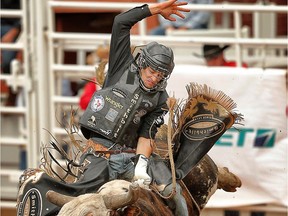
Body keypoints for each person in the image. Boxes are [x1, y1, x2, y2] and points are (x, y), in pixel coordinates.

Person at [17, 1, 190, 215]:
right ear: (142, 63)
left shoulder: (160, 98)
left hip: (131, 158)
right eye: (152, 71)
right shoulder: (121, 68)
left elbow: (147, 134)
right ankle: (35, 194)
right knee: (77, 201)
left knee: (174, 193)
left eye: (160, 74)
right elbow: (121, 23)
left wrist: (141, 165)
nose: (155, 78)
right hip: (100, 156)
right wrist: (152, 10)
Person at [1, 0, 22, 106]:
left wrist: (14, 30)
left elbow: (28, 13)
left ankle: (12, 95)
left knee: (8, 62)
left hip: (13, 27)